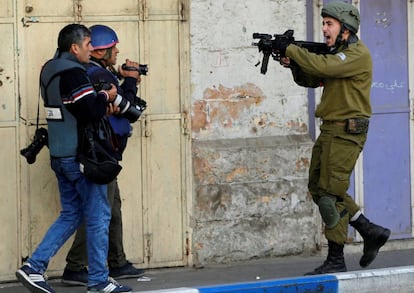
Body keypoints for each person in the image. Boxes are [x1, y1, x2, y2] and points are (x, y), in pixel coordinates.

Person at [273, 1, 391, 274]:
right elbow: (312, 78)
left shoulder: (356, 55)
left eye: (329, 24)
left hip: (348, 130)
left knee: (330, 193)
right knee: (318, 186)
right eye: (323, 23)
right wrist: (292, 63)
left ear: (345, 29)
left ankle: (336, 258)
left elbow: (324, 68)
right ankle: (369, 229)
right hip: (331, 128)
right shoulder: (336, 54)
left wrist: (290, 48)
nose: (324, 29)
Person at [15, 23, 131, 293]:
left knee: (71, 214)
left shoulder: (49, 69)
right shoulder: (75, 73)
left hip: (59, 153)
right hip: (80, 157)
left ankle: (34, 267)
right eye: (88, 44)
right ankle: (99, 281)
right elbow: (89, 110)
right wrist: (107, 95)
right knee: (99, 216)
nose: (91, 50)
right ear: (74, 47)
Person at [61, 24, 146, 286]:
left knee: (112, 208)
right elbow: (129, 109)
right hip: (99, 155)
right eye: (113, 47)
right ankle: (76, 267)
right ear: (100, 51)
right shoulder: (97, 75)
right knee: (98, 211)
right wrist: (130, 80)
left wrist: (120, 77)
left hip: (103, 154)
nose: (117, 51)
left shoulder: (94, 72)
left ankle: (117, 262)